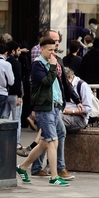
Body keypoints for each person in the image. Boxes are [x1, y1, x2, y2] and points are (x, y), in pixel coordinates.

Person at [15, 38, 71, 187]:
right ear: (42, 49)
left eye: (54, 50)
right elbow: (46, 82)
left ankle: (22, 168)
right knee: (52, 141)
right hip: (44, 108)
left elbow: (58, 85)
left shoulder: (49, 63)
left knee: (48, 141)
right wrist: (53, 67)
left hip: (54, 107)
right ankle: (54, 176)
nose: (53, 53)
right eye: (50, 50)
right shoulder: (37, 65)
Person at [6, 41, 25, 156]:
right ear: (13, 51)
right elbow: (18, 80)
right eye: (18, 50)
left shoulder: (6, 62)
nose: (20, 52)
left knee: (6, 117)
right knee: (17, 119)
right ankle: (16, 143)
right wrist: (19, 95)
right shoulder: (16, 63)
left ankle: (7, 140)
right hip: (15, 94)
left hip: (6, 93)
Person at [62, 67, 93, 133]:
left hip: (79, 118)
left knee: (57, 120)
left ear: (70, 78)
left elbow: (88, 109)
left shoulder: (82, 85)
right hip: (64, 114)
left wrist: (71, 111)